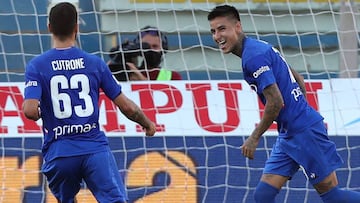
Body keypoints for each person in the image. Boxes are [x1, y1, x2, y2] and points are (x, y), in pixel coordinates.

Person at [207, 4, 360, 203]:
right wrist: (298, 109)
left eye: (222, 28)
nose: (217, 36)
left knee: (332, 196)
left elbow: (275, 102)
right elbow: (299, 78)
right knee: (263, 195)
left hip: (304, 132)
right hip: (290, 132)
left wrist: (254, 137)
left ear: (237, 27)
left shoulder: (253, 57)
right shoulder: (258, 47)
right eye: (213, 31)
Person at [22, 2, 156, 203]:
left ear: (49, 27)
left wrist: (42, 112)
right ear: (77, 27)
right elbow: (126, 106)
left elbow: (30, 111)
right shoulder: (95, 63)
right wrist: (147, 123)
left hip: (60, 153)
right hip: (93, 149)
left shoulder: (37, 65)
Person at [108, 26, 182, 81]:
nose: (149, 50)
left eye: (155, 46)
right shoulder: (126, 71)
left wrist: (142, 81)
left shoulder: (172, 77)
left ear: (163, 49)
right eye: (144, 46)